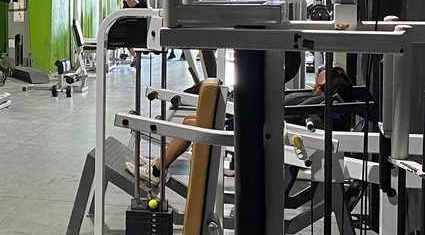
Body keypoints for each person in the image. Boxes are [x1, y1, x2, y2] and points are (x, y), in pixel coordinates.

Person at [126, 66, 351, 184]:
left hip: (252, 131)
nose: (314, 85)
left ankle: (157, 170)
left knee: (189, 129)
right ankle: (160, 162)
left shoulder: (315, 103)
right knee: (188, 121)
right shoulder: (312, 97)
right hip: (249, 123)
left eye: (319, 83)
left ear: (327, 87)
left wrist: (248, 115)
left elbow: (282, 118)